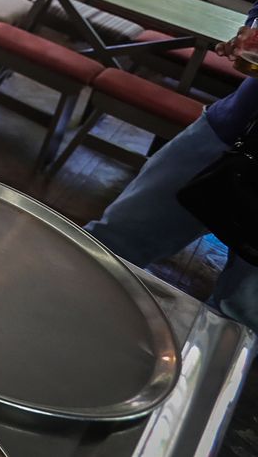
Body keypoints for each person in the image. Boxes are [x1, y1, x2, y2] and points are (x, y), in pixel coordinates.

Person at [86, 17, 258, 331]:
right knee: (108, 247)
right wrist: (251, 29)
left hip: (229, 133)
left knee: (237, 320)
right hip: (229, 129)